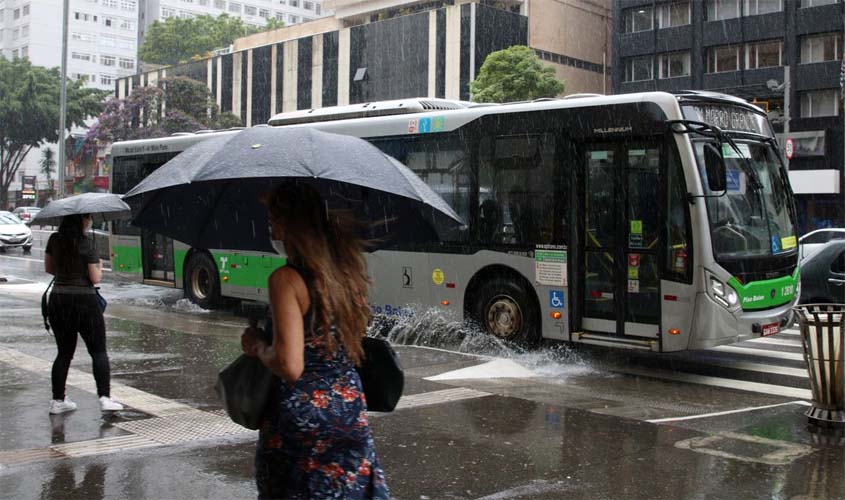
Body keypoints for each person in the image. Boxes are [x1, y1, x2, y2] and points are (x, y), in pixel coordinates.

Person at [241, 183, 389, 499]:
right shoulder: (346, 271)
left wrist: (257, 346)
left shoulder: (286, 280)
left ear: (291, 223)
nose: (271, 226)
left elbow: (290, 365)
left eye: (275, 218)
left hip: (303, 419)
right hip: (349, 408)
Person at [44, 214, 123, 414]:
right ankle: (105, 398)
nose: (90, 221)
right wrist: (100, 267)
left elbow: (49, 268)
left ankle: (57, 401)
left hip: (59, 300)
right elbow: (95, 277)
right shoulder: (87, 243)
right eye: (88, 218)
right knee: (98, 351)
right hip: (84, 301)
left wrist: (67, 270)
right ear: (81, 221)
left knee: (64, 353)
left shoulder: (54, 240)